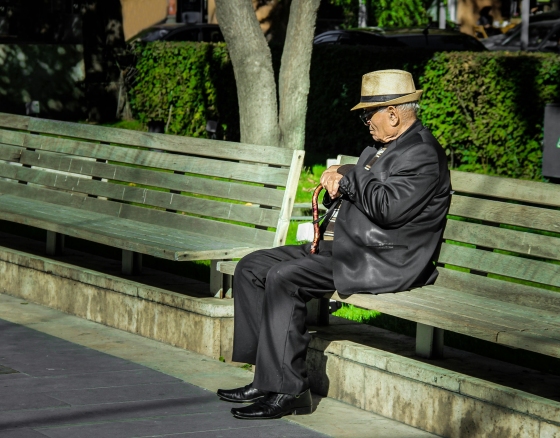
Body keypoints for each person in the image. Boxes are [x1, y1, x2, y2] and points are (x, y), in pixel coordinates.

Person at [217, 69, 451, 420]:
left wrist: (350, 174)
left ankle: (290, 392)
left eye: (367, 115)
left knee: (285, 277)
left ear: (392, 114)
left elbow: (387, 209)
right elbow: (360, 195)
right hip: (345, 245)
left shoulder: (422, 154)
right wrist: (339, 182)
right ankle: (266, 377)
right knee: (251, 267)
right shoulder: (379, 148)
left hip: (380, 258)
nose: (365, 123)